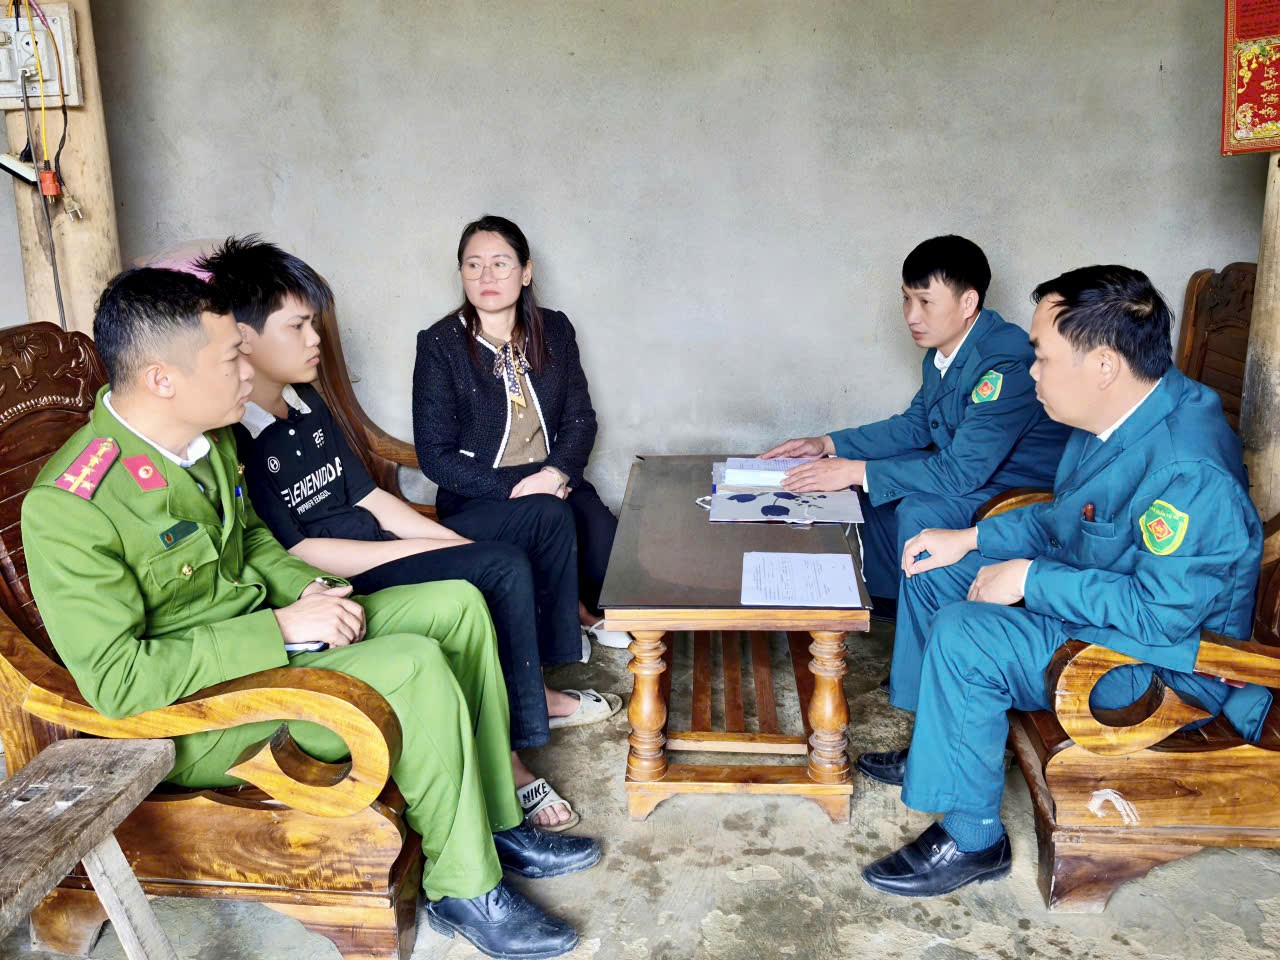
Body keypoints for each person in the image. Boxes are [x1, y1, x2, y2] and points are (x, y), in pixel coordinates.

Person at [21, 267, 601, 959]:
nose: (248, 372)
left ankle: (495, 824)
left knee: (457, 605)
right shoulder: (72, 506)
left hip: (273, 643)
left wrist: (310, 593)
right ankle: (463, 888)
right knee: (413, 664)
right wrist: (280, 628)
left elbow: (256, 544)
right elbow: (120, 684)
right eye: (230, 359)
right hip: (201, 712)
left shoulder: (206, 441)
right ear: (161, 379)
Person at [857, 264, 1270, 897]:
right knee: (933, 567)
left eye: (1043, 358)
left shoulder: (1188, 471)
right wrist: (970, 540)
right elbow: (1065, 518)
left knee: (968, 636)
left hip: (1158, 665)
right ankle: (941, 749)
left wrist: (1030, 578)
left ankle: (974, 839)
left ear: (1103, 365)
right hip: (1103, 603)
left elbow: (1160, 616)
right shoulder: (1120, 416)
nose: (1032, 372)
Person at [199, 236, 615, 832]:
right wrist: (423, 547)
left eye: (313, 324)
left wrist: (446, 542)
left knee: (530, 528)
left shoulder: (306, 402)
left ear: (526, 272)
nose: (317, 340)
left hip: (383, 545)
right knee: (498, 566)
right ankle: (514, 760)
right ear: (244, 336)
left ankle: (532, 693)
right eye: (299, 326)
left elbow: (370, 497)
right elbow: (295, 550)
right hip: (339, 574)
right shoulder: (235, 435)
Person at [762, 235, 1068, 716]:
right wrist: (828, 445)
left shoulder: (1004, 360)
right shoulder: (945, 353)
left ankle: (919, 691)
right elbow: (915, 426)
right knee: (868, 500)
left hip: (1014, 495)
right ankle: (893, 619)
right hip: (977, 480)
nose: (911, 315)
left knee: (919, 511)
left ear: (968, 302)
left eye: (925, 301)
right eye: (906, 299)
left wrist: (856, 470)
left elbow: (962, 471)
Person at [414, 214, 630, 650]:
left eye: (500, 263)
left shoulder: (555, 330)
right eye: (473, 265)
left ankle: (576, 607)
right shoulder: (441, 344)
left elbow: (580, 419)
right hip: (479, 494)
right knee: (547, 522)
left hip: (553, 481)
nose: (486, 276)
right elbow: (435, 457)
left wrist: (555, 474)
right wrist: (516, 489)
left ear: (526, 271)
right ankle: (571, 625)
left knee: (610, 561)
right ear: (461, 273)